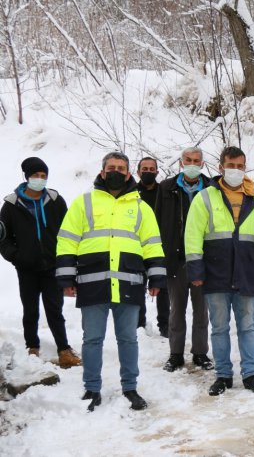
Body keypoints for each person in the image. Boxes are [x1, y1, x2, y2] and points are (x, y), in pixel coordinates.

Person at [56, 151, 166, 411]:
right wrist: (66, 277)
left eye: (121, 167)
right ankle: (92, 388)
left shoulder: (141, 207)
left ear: (129, 173)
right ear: (103, 171)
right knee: (92, 339)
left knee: (128, 338)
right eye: (111, 167)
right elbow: (67, 240)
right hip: (92, 282)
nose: (116, 171)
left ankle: (130, 387)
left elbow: (152, 245)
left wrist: (156, 276)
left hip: (129, 283)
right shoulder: (84, 203)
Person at [185, 146, 254, 396]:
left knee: (247, 327)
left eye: (240, 166)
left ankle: (250, 373)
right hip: (216, 273)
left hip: (247, 272)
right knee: (219, 328)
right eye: (231, 165)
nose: (236, 170)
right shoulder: (205, 197)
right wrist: (195, 270)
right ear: (220, 167)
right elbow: (193, 235)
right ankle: (223, 375)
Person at [0, 157, 81, 368]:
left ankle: (64, 350)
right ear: (27, 177)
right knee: (30, 309)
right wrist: (17, 257)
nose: (40, 179)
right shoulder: (10, 205)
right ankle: (32, 349)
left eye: (43, 176)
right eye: (36, 175)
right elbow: (3, 238)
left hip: (52, 266)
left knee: (55, 309)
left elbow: (68, 231)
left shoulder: (55, 200)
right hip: (27, 268)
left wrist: (67, 259)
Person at [155, 147, 213, 372]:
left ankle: (200, 353)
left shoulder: (211, 188)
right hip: (175, 258)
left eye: (196, 161)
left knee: (201, 310)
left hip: (202, 259)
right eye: (188, 160)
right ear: (181, 162)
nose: (192, 164)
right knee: (176, 310)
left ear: (202, 164)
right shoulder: (166, 188)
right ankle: (175, 353)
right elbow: (159, 222)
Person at [136, 157, 170, 336]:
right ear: (138, 172)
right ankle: (140, 324)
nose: (148, 172)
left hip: (160, 244)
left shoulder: (164, 191)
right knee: (138, 284)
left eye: (151, 169)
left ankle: (165, 324)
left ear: (157, 172)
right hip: (137, 245)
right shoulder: (131, 193)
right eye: (144, 169)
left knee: (162, 286)